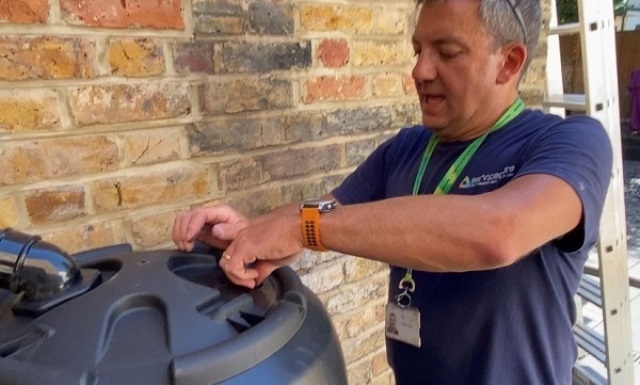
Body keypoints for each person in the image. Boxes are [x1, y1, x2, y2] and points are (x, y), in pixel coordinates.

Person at [173, 0, 613, 384]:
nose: (420, 70)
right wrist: (255, 233)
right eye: (419, 49)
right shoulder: (405, 149)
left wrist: (303, 226)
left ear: (509, 62)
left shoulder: (570, 143)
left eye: (447, 51)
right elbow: (328, 210)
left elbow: (500, 232)